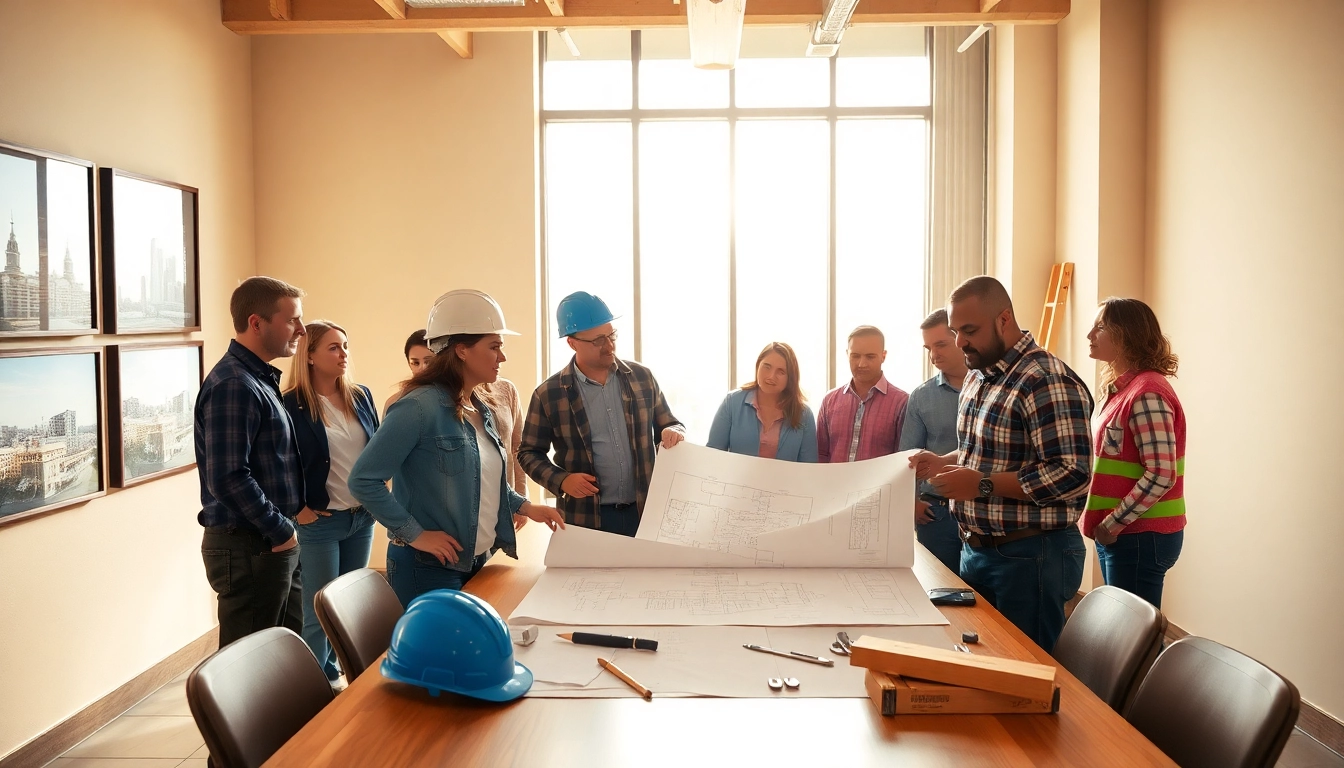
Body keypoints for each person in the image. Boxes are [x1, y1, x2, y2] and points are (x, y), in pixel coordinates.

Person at [909, 276, 1093, 654]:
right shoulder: (980, 377)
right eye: (956, 331)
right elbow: (985, 452)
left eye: (970, 330)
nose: (961, 342)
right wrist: (940, 462)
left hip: (1031, 556)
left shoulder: (1045, 379)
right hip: (977, 550)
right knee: (984, 661)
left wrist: (981, 485)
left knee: (1026, 675)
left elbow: (1071, 474)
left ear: (1004, 319)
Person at [349, 290, 565, 607]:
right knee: (437, 655)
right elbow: (363, 480)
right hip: (428, 568)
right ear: (462, 350)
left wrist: (524, 506)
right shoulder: (416, 408)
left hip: (478, 559)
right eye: (494, 347)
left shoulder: (479, 406)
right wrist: (415, 533)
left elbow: (480, 479)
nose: (502, 357)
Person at [195, 276, 308, 648]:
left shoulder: (258, 378)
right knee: (250, 668)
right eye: (292, 320)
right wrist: (281, 531)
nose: (302, 330)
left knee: (283, 659)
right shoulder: (234, 384)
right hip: (252, 545)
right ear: (257, 323)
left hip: (270, 541)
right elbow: (227, 476)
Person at [519, 291, 686, 537]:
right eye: (598, 340)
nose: (609, 346)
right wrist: (562, 480)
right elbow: (528, 453)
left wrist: (675, 431)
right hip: (586, 519)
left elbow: (670, 423)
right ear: (572, 343)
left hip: (645, 511)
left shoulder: (643, 378)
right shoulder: (549, 394)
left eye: (611, 335)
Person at [282, 320, 379, 683]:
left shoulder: (361, 396)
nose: (344, 354)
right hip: (319, 521)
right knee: (318, 612)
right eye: (334, 347)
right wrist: (297, 509)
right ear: (309, 356)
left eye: (345, 345)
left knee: (351, 606)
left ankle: (348, 675)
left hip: (361, 518)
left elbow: (376, 452)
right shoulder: (290, 404)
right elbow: (280, 464)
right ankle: (315, 689)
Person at [1081, 298, 1186, 608]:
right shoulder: (1124, 390)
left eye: (1099, 327)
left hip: (1139, 534)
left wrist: (1112, 525)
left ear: (1125, 334)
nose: (1089, 334)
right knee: (1125, 627)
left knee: (1132, 637)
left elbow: (1162, 474)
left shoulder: (1147, 392)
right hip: (1126, 533)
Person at [389, 328, 528, 500]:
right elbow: (371, 478)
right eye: (494, 347)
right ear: (461, 351)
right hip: (447, 517)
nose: (423, 368)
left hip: (496, 511)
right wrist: (410, 527)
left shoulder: (480, 401)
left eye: (428, 361)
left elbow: (491, 466)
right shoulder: (412, 405)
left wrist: (520, 502)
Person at [897, 311, 966, 575]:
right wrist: (911, 503)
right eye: (928, 348)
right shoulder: (921, 396)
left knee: (984, 606)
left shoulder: (991, 388)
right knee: (940, 594)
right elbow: (908, 457)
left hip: (983, 509)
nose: (934, 355)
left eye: (941, 345)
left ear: (960, 338)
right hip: (935, 514)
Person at [708, 341, 817, 462]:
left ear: (790, 378)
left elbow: (809, 468)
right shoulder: (732, 402)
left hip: (785, 481)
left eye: (781, 372)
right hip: (737, 480)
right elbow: (713, 455)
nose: (771, 376)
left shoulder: (804, 415)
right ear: (758, 365)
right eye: (767, 367)